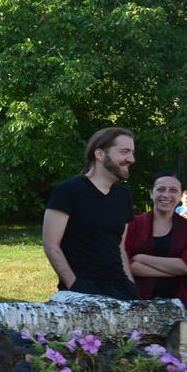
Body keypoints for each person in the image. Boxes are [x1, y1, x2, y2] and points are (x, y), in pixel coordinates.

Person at [42, 127, 139, 300]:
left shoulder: (123, 196)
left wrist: (130, 285)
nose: (131, 159)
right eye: (124, 152)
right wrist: (75, 286)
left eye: (132, 152)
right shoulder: (68, 191)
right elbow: (51, 245)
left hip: (121, 288)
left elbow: (120, 248)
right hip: (82, 288)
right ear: (100, 154)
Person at [126, 171, 187, 323]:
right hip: (138, 304)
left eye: (173, 190)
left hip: (179, 307)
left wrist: (142, 258)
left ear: (179, 197)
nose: (166, 195)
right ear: (151, 194)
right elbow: (127, 265)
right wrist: (174, 271)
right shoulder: (134, 225)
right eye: (160, 189)